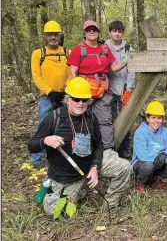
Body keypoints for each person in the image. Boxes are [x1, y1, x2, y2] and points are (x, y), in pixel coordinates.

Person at [27, 77, 131, 216]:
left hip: (88, 166)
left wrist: (95, 167)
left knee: (124, 167)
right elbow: (32, 146)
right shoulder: (54, 118)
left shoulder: (91, 117)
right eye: (76, 99)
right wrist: (45, 140)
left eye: (84, 100)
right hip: (66, 176)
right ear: (68, 99)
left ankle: (110, 205)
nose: (80, 103)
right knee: (55, 213)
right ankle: (75, 190)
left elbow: (99, 145)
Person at [67, 20, 127, 155]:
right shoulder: (78, 49)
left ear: (99, 32)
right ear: (85, 32)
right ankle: (81, 150)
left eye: (94, 29)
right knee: (81, 119)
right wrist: (76, 94)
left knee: (105, 121)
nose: (92, 31)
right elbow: (73, 72)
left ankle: (107, 151)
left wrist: (127, 60)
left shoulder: (104, 48)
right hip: (84, 93)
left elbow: (114, 67)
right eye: (89, 30)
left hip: (103, 91)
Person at [30, 20, 71, 167]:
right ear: (46, 36)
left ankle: (59, 156)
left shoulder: (68, 53)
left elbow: (72, 73)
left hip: (64, 97)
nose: (53, 37)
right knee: (43, 125)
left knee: (63, 126)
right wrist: (49, 91)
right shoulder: (38, 54)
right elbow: (36, 76)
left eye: (56, 34)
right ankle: (37, 160)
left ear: (60, 35)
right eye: (50, 35)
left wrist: (65, 89)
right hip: (47, 97)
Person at [131, 101, 167, 193]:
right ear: (147, 118)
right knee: (149, 166)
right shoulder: (140, 132)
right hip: (141, 163)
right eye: (153, 117)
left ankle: (154, 179)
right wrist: (160, 156)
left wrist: (164, 156)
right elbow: (143, 156)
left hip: (158, 161)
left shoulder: (165, 131)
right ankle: (140, 182)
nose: (156, 121)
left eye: (159, 118)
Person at [105, 20, 135, 159]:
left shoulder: (129, 49)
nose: (117, 33)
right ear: (110, 32)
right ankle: (111, 148)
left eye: (119, 31)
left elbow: (132, 71)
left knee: (125, 119)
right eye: (114, 31)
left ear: (122, 33)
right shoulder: (103, 47)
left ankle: (124, 150)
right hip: (107, 90)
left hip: (123, 89)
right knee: (108, 120)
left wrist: (129, 90)